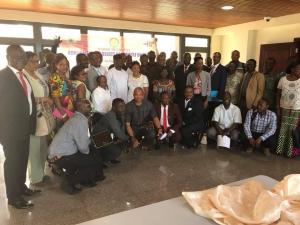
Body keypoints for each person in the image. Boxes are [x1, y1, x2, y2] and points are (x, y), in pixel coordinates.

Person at [0, 45, 38, 209]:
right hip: (10, 130)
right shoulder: (3, 76)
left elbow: (28, 100)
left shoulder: (23, 75)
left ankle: (21, 187)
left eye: (22, 57)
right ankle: (13, 196)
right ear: (8, 58)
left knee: (22, 160)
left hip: (25, 127)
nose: (21, 60)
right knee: (13, 163)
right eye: (16, 57)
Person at [48, 100, 104, 194]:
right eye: (88, 106)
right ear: (80, 108)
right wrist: (88, 153)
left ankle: (86, 180)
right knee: (92, 161)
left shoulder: (77, 117)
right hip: (60, 155)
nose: (90, 108)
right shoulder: (80, 121)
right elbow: (83, 148)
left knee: (90, 155)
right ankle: (69, 182)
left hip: (59, 152)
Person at [23, 52, 53, 185]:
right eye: (33, 61)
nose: (36, 64)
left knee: (43, 146)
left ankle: (41, 172)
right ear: (25, 61)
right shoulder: (24, 76)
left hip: (44, 114)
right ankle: (35, 177)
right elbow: (23, 99)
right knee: (34, 148)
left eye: (37, 61)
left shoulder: (38, 74)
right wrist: (42, 99)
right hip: (33, 116)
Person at [92, 98, 128, 163]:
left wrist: (123, 138)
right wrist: (129, 138)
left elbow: (122, 128)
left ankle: (110, 158)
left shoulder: (120, 113)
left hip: (107, 135)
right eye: (120, 106)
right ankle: (99, 161)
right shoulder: (111, 116)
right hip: (98, 136)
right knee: (117, 152)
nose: (123, 108)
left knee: (123, 142)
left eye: (124, 106)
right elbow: (118, 132)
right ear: (114, 107)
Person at [276, 59, 300, 157]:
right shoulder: (283, 79)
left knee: (292, 130)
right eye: (298, 68)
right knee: (283, 129)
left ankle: (290, 152)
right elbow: (278, 94)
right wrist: (277, 107)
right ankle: (280, 150)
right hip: (284, 108)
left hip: (296, 109)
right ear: (292, 69)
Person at [49, 53, 74, 123]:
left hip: (69, 107)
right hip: (61, 109)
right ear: (56, 65)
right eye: (61, 64)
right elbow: (55, 96)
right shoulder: (55, 78)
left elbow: (69, 93)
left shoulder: (65, 77)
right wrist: (62, 112)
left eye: (66, 64)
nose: (65, 67)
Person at [208, 52, 228, 120]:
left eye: (217, 57)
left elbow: (223, 84)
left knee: (215, 111)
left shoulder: (223, 69)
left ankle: (214, 127)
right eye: (214, 56)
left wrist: (219, 96)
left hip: (216, 94)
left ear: (220, 58)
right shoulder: (211, 68)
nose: (215, 58)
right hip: (209, 93)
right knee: (210, 110)